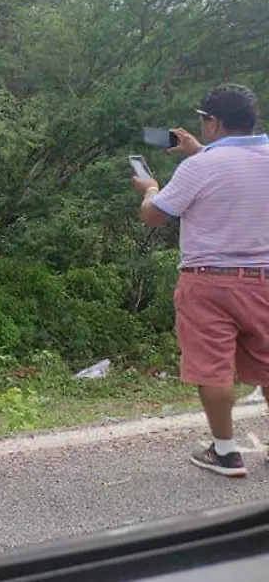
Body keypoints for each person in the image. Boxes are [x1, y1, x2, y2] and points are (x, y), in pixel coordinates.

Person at [133, 83, 269, 478]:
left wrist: (149, 188)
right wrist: (201, 150)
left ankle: (226, 453)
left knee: (213, 368)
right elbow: (240, 177)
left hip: (209, 282)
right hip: (264, 278)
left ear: (212, 122)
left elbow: (156, 215)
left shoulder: (199, 167)